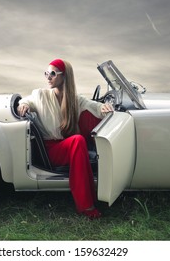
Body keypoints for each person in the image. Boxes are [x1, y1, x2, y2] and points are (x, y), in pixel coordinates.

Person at [17, 59, 113, 219]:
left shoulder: (75, 98)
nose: (48, 77)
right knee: (78, 140)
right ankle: (85, 205)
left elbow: (93, 106)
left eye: (52, 73)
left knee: (78, 140)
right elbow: (26, 101)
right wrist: (23, 105)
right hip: (50, 150)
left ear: (65, 76)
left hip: (65, 146)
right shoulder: (40, 95)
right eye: (46, 73)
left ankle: (92, 196)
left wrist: (103, 107)